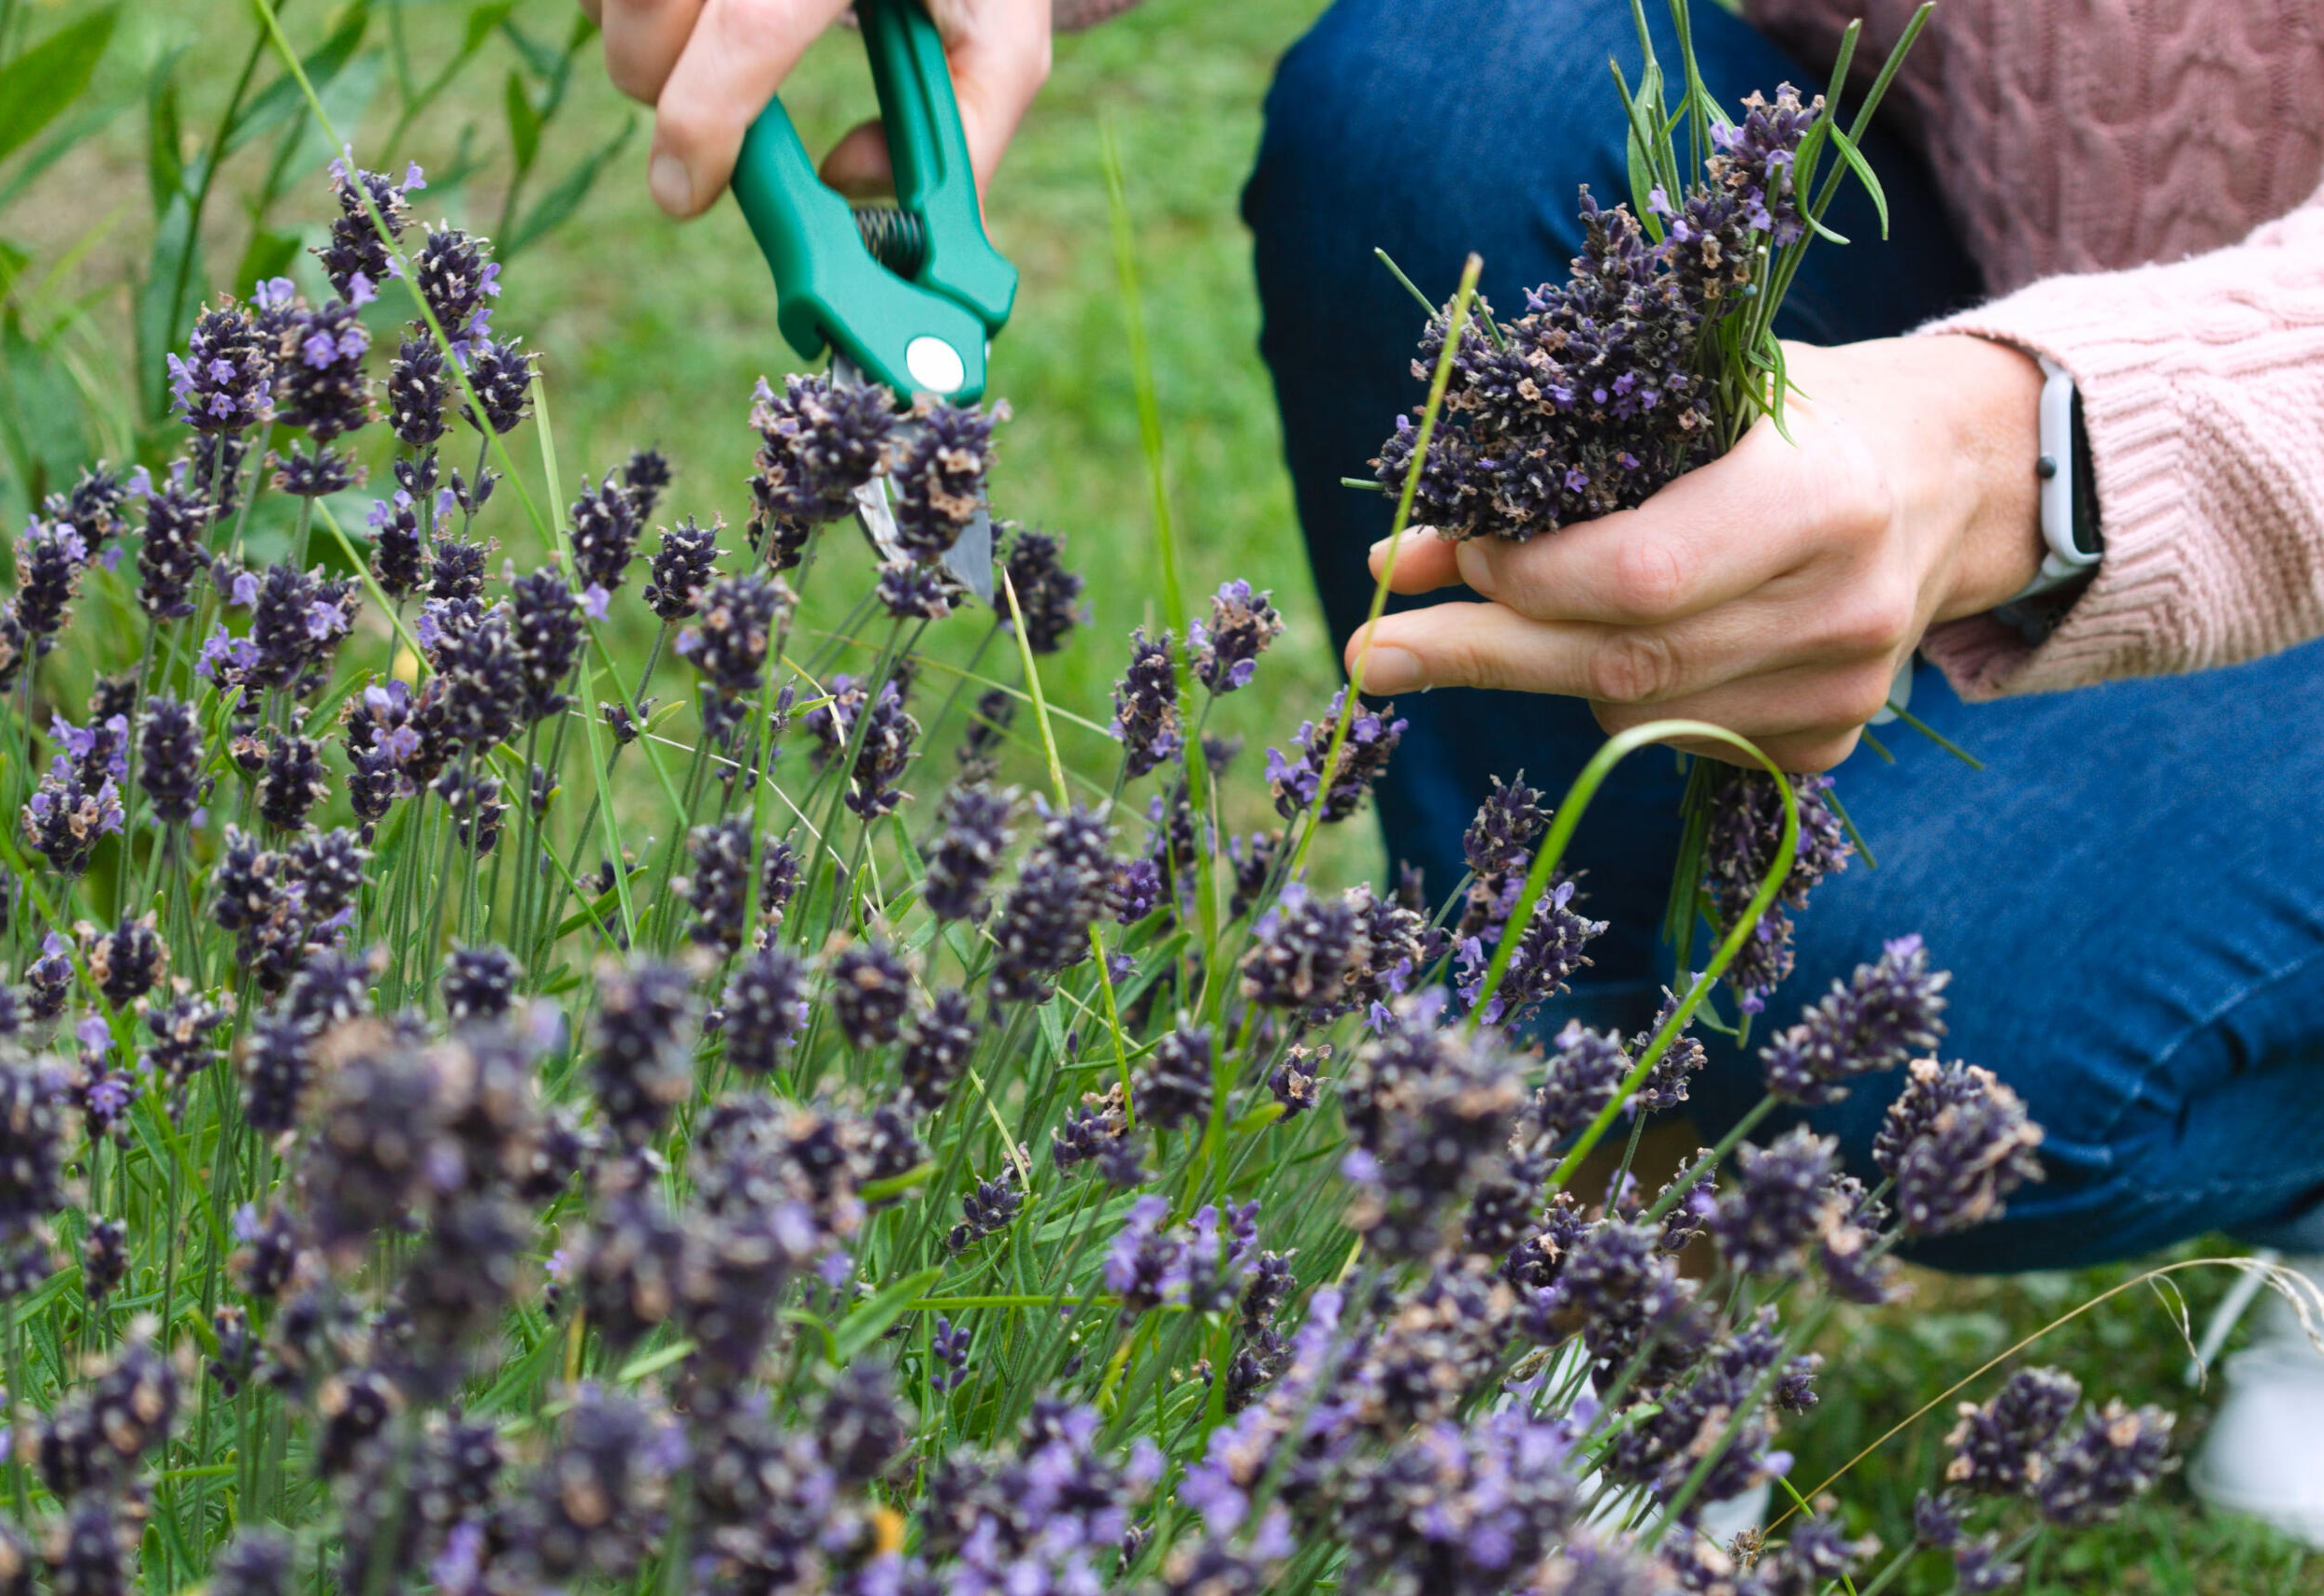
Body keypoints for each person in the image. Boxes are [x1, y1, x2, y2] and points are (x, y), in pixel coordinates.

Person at [579, 0, 2324, 1538]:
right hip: (2004, 314)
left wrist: (2030, 451)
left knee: (1923, 995)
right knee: (1451, 90)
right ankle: (1597, 1211)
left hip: (2179, 426)